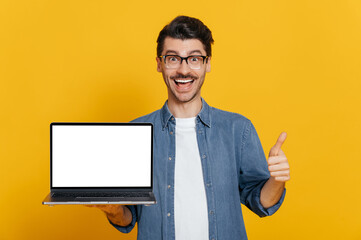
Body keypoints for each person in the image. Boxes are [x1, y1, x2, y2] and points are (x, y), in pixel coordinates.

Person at [91, 15, 290, 240]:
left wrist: (277, 181)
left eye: (194, 59)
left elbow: (262, 202)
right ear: (159, 63)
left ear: (208, 63)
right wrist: (112, 208)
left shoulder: (237, 129)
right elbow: (128, 217)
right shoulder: (135, 134)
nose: (184, 70)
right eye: (173, 58)